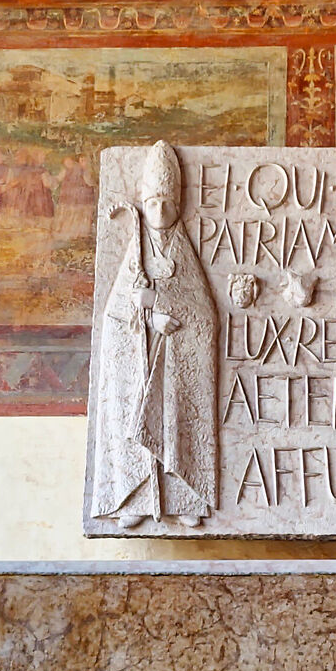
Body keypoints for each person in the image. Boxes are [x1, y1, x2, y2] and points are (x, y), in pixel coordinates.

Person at [90, 140, 218, 527]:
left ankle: (185, 497)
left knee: (176, 417)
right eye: (152, 203)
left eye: (167, 203)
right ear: (142, 205)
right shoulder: (135, 253)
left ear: (178, 207)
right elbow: (114, 319)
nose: (159, 211)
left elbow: (204, 316)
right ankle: (133, 498)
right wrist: (142, 317)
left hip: (175, 362)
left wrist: (162, 310)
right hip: (141, 359)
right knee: (133, 415)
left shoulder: (183, 255)